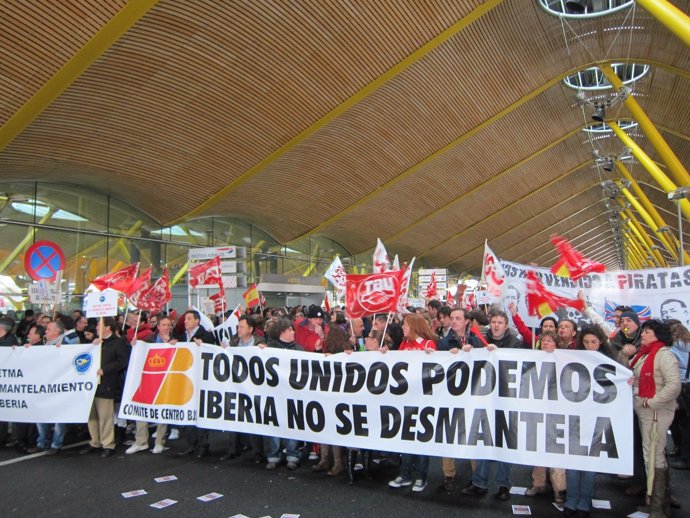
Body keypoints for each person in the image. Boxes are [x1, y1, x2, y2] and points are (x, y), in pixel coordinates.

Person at [462, 311, 521, 501]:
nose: (496, 325)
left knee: (504, 442)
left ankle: (503, 484)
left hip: (506, 400)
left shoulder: (515, 343)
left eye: (500, 322)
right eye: (493, 322)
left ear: (506, 325)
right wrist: (468, 351)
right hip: (484, 399)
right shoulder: (479, 340)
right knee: (482, 441)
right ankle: (479, 482)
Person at [629, 319, 681, 517]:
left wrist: (651, 402)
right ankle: (658, 502)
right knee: (652, 454)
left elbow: (673, 386)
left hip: (656, 413)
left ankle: (657, 507)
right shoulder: (646, 354)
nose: (642, 335)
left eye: (647, 332)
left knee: (654, 456)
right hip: (647, 411)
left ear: (658, 335)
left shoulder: (664, 356)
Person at [562, 324, 613, 517]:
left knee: (590, 462)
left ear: (601, 342)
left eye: (593, 342)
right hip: (575, 416)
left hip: (597, 418)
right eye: (586, 342)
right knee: (573, 460)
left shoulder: (610, 361)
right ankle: (572, 499)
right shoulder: (575, 359)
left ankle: (585, 500)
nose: (590, 346)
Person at [388, 313, 436, 493]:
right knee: (406, 439)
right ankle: (405, 474)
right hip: (405, 400)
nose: (402, 328)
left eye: (405, 325)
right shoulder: (403, 345)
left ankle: (421, 476)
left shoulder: (428, 345)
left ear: (415, 326)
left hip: (423, 401)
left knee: (421, 440)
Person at [524, 331, 566, 504]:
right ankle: (539, 483)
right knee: (538, 448)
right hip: (538, 411)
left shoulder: (564, 359)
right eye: (544, 341)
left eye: (550, 341)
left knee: (557, 450)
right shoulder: (534, 359)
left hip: (558, 412)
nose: (547, 344)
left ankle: (560, 489)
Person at [79, 317, 130, 458]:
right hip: (91, 385)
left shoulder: (117, 343)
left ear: (108, 327)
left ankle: (108, 444)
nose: (96, 328)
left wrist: (105, 369)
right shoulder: (96, 342)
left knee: (105, 416)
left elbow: (122, 361)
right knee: (92, 416)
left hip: (107, 383)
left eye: (99, 325)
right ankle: (95, 441)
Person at [126, 316, 176, 455]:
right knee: (141, 409)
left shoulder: (176, 340)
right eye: (163, 324)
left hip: (165, 380)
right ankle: (140, 441)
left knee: (162, 412)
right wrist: (135, 345)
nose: (166, 327)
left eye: (168, 325)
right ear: (158, 327)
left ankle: (159, 442)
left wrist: (172, 345)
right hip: (148, 379)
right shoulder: (149, 340)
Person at [263, 318, 303, 470]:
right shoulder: (268, 349)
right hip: (275, 394)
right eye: (290, 330)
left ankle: (292, 454)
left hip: (293, 394)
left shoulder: (299, 349)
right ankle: (274, 454)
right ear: (281, 332)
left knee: (292, 423)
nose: (293, 332)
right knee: (274, 424)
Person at [175, 310, 216, 458]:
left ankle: (203, 445)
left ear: (197, 321)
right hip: (185, 379)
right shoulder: (181, 337)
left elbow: (213, 353)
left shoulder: (206, 336)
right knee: (187, 412)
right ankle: (192, 444)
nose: (185, 321)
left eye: (189, 318)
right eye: (185, 318)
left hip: (200, 380)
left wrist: (203, 346)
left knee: (199, 413)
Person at [668, 320, 690, 471]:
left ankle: (683, 455)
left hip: (679, 387)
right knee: (686, 425)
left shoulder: (670, 349)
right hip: (689, 385)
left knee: (678, 423)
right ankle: (683, 454)